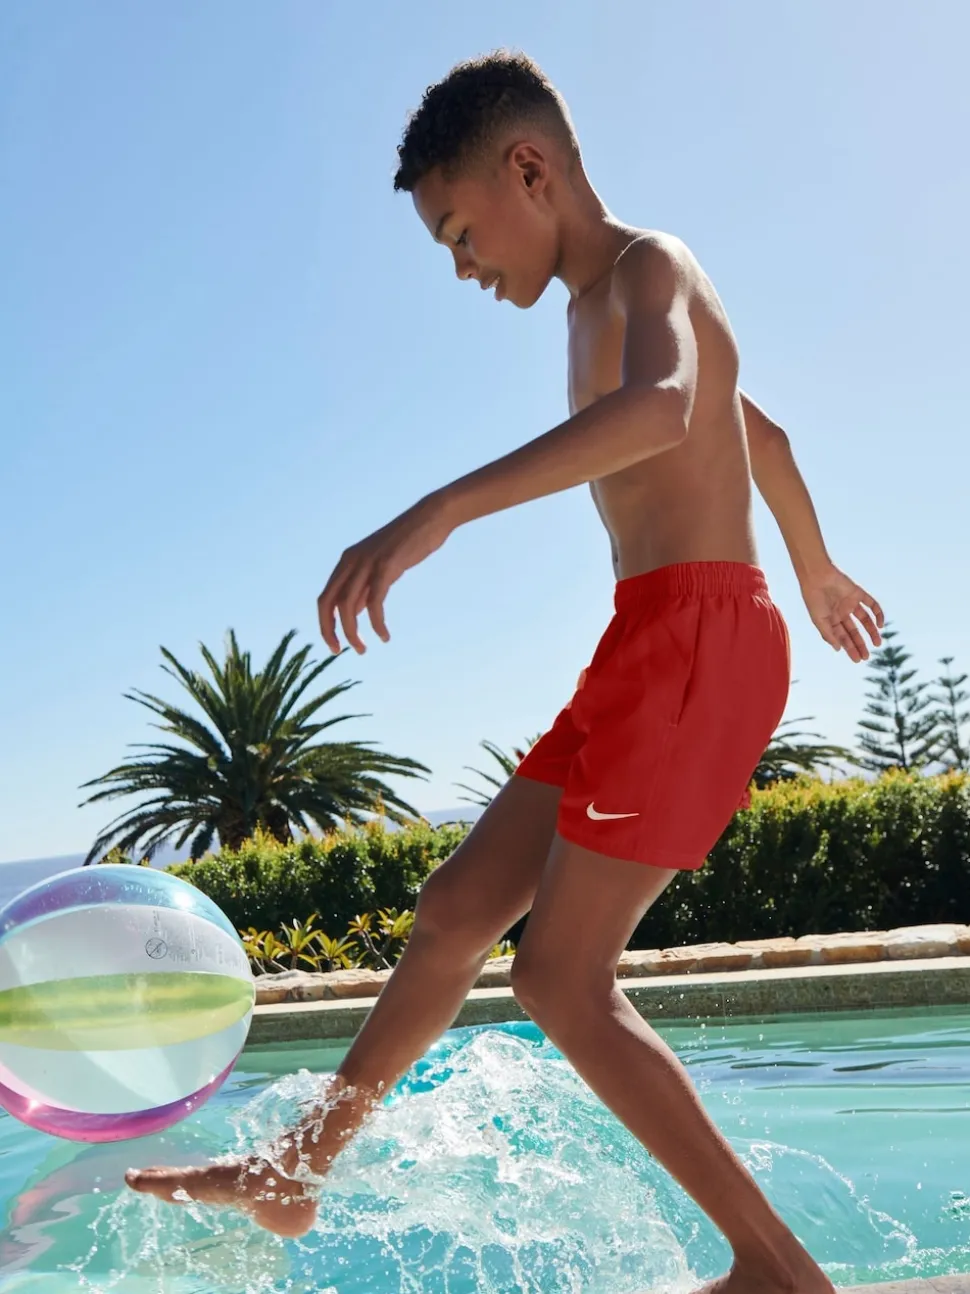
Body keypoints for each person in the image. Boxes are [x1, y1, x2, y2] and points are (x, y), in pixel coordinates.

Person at [126, 49, 884, 1292]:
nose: (462, 266)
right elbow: (762, 431)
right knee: (454, 912)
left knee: (559, 977)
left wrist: (441, 509)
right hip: (652, 636)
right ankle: (294, 1171)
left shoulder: (649, 268)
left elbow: (670, 408)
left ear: (529, 169)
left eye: (459, 232)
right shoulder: (595, 309)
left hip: (698, 638)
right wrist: (815, 568)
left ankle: (777, 1271)